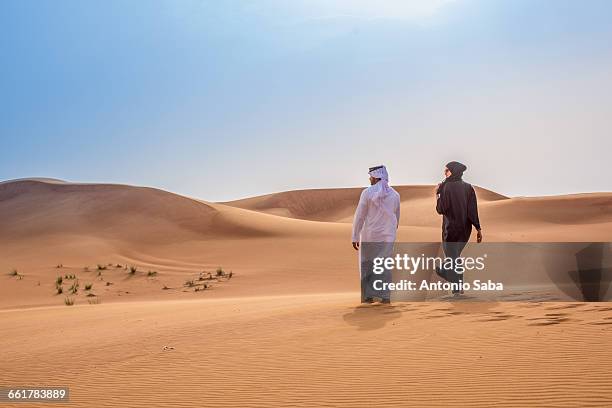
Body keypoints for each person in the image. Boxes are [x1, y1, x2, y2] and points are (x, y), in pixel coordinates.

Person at [352, 165, 401, 304]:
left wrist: (355, 236)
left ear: (375, 177)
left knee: (367, 264)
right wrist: (391, 232)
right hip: (387, 237)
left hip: (370, 236)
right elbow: (397, 218)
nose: (369, 179)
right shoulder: (395, 195)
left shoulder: (367, 193)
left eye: (371, 176)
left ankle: (368, 296)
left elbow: (359, 216)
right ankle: (385, 296)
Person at [435, 161, 482, 295]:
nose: (445, 173)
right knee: (456, 258)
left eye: (447, 170)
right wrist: (478, 228)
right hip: (465, 231)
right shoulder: (468, 187)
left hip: (450, 230)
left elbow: (440, 209)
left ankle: (448, 278)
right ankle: (458, 289)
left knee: (451, 260)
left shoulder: (445, 187)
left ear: (453, 171)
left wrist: (437, 194)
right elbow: (472, 210)